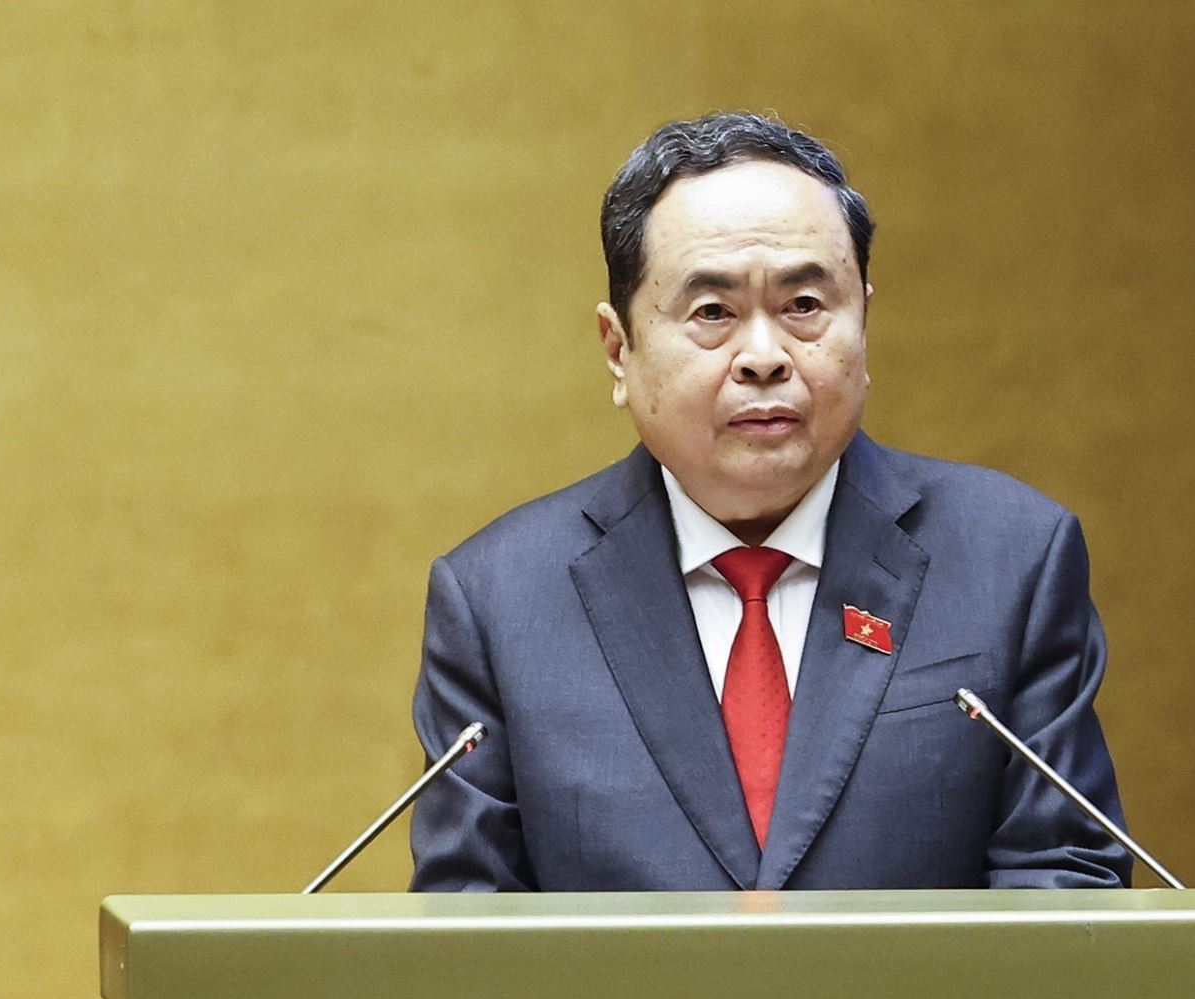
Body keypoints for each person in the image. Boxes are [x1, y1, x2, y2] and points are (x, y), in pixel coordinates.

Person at [408, 112, 1131, 892]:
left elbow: (1064, 882)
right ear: (619, 351)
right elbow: (468, 931)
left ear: (864, 323)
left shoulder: (1010, 559)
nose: (763, 357)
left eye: (804, 305)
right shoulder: (500, 601)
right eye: (712, 313)